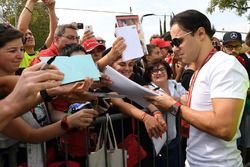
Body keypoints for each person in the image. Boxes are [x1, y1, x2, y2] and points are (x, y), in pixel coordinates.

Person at [145, 9, 249, 167]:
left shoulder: (225, 65)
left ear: (200, 33)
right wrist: (183, 101)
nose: (174, 48)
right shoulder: (200, 69)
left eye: (178, 41)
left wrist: (174, 107)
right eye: (172, 44)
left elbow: (224, 127)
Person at [144, 60, 187, 167]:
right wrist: (178, 100)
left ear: (167, 71)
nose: (159, 73)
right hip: (159, 140)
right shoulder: (148, 89)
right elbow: (153, 101)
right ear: (149, 75)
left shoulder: (175, 84)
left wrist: (170, 101)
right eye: (154, 71)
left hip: (177, 136)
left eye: (162, 69)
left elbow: (188, 98)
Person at [17, 0, 57, 73]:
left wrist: (51, 10)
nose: (29, 36)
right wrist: (31, 2)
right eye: (25, 35)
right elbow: (21, 29)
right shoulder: (19, 55)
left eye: (30, 34)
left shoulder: (41, 53)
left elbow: (53, 34)